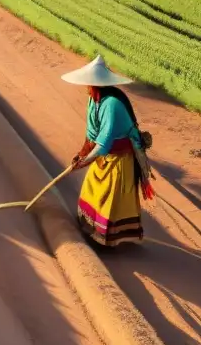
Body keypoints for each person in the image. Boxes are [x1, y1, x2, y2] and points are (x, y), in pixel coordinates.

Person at [63, 55, 155, 247]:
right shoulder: (93, 101)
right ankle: (91, 228)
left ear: (97, 85)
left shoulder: (112, 104)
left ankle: (107, 239)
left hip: (121, 157)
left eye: (89, 85)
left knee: (109, 196)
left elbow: (104, 143)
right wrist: (80, 155)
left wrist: (85, 161)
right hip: (105, 155)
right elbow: (91, 135)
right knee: (91, 185)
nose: (86, 88)